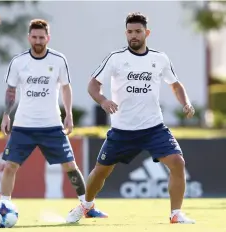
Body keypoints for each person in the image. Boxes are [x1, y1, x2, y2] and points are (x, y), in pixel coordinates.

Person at [66, 12, 196, 224]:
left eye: (138, 31)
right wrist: (103, 101)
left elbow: (175, 84)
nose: (133, 35)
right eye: (129, 32)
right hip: (122, 130)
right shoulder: (116, 58)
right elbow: (93, 85)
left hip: (154, 128)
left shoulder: (159, 58)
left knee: (177, 162)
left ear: (147, 33)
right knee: (100, 172)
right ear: (125, 33)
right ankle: (86, 205)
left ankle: (176, 214)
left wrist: (186, 103)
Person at [0, 19, 107, 218]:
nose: (38, 40)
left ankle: (87, 206)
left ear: (48, 38)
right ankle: (3, 206)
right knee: (9, 166)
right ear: (28, 38)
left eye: (42, 37)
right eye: (34, 37)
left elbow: (66, 87)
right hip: (23, 125)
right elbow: (11, 90)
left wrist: (69, 113)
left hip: (52, 126)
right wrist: (6, 115)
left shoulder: (58, 60)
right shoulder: (18, 61)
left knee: (70, 166)